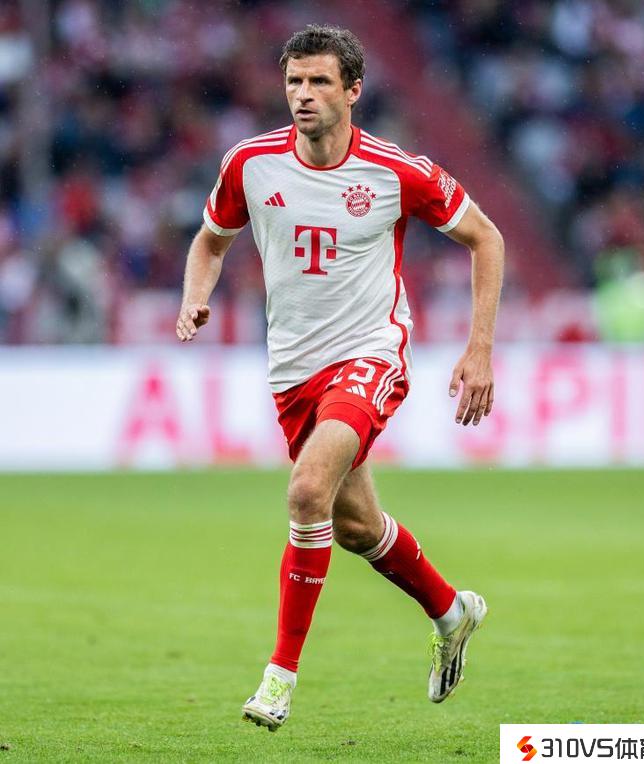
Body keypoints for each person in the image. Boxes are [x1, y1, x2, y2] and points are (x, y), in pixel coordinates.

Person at [176, 25, 504, 732]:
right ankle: (452, 612)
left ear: (353, 91)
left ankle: (279, 677)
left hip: (371, 352)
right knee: (354, 527)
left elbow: (487, 237)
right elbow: (210, 240)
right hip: (293, 370)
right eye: (294, 81)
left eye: (320, 81)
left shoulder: (396, 171)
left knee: (306, 493)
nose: (304, 94)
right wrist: (194, 295)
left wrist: (479, 349)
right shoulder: (250, 163)